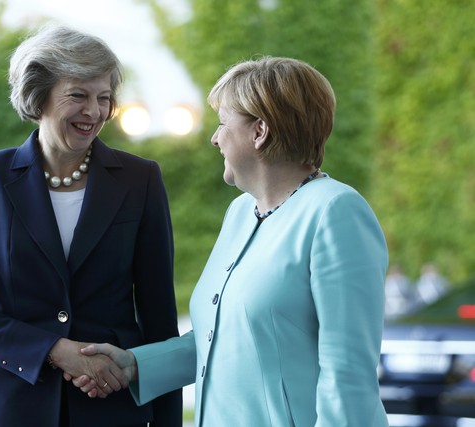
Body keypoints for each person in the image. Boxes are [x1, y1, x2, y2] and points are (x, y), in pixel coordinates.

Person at [73, 57, 390, 426]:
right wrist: (136, 365)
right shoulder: (241, 212)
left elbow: (347, 374)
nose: (215, 137)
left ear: (260, 131)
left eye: (223, 124)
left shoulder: (336, 211)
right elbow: (220, 339)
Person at [0, 25, 182, 427]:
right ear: (39, 97)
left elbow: (159, 320)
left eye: (104, 98)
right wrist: (53, 349)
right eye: (78, 96)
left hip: (112, 408)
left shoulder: (142, 179)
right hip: (8, 405)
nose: (94, 111)